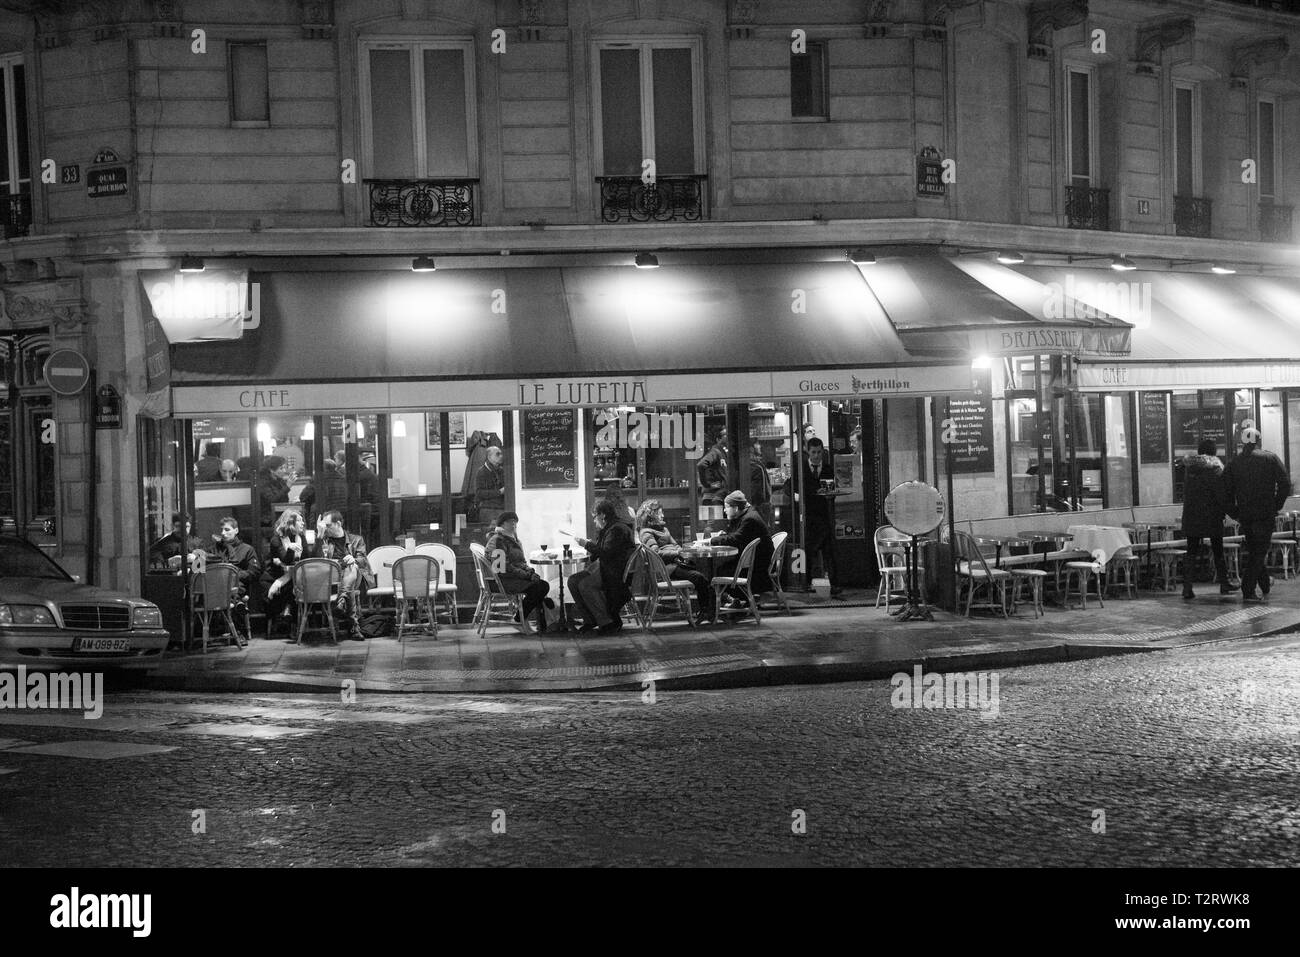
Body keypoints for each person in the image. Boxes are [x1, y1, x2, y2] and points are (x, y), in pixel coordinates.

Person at [1224, 427, 1293, 602]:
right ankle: (1248, 589)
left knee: (1256, 550)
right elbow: (1285, 484)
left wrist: (1235, 512)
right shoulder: (1270, 458)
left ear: (1242, 442)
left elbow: (1225, 492)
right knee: (1259, 551)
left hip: (1245, 515)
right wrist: (1276, 505)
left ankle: (1264, 584)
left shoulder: (1234, 463)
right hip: (1264, 513)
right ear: (1258, 441)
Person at [636, 499, 714, 625]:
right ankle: (706, 611)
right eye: (660, 513)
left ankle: (708, 610)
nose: (662, 515)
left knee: (702, 575)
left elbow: (675, 545)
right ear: (651, 515)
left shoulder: (664, 529)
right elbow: (655, 554)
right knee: (699, 577)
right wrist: (677, 553)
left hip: (674, 564)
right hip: (665, 570)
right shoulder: (646, 532)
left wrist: (679, 551)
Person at [1181, 439, 1238, 599]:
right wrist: (1232, 512)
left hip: (1192, 515)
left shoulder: (1190, 469)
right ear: (1214, 452)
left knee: (1191, 551)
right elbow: (1221, 494)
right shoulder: (1215, 468)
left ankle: (1187, 587)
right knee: (1218, 550)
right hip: (1211, 515)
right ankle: (1224, 583)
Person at [569, 499, 636, 634]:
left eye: (595, 517)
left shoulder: (617, 529)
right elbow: (605, 550)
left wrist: (586, 544)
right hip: (608, 568)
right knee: (573, 580)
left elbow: (606, 553)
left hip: (615, 573)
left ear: (602, 515)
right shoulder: (611, 528)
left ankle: (607, 622)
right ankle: (590, 619)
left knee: (584, 585)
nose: (594, 521)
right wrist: (591, 545)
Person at [485, 511, 552, 634]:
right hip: (503, 580)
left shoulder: (512, 539)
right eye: (511, 523)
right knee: (540, 588)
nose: (514, 526)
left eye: (516, 523)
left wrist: (530, 572)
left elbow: (521, 562)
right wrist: (527, 575)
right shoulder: (497, 540)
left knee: (541, 585)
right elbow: (501, 567)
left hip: (513, 577)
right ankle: (519, 619)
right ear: (503, 524)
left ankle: (538, 623)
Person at [314, 509, 374, 640]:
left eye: (328, 526)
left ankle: (341, 600)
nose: (326, 529)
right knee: (349, 590)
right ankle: (353, 626)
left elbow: (363, 560)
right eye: (324, 526)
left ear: (338, 524)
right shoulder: (325, 541)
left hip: (354, 575)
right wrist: (320, 534)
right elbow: (315, 558)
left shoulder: (356, 539)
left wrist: (354, 559)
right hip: (332, 578)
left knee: (351, 567)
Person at [710, 490, 774, 609]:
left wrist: (712, 540)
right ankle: (736, 599)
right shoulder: (748, 515)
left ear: (735, 507)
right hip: (757, 563)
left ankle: (733, 599)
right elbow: (738, 535)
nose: (724, 510)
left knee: (721, 571)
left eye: (726, 507)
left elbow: (736, 539)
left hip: (758, 569)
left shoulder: (749, 519)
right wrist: (724, 535)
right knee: (722, 568)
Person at [202, 516, 262, 635]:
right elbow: (201, 567)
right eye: (222, 530)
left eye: (227, 530)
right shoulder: (213, 549)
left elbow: (254, 572)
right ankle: (236, 632)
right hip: (215, 588)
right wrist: (196, 556)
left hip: (236, 586)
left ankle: (236, 631)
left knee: (233, 589)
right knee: (231, 597)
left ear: (236, 530)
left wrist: (233, 575)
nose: (223, 533)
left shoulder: (247, 549)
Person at [800, 437, 843, 599]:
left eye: (819, 452)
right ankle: (806, 583)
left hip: (825, 515)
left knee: (829, 552)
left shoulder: (827, 468)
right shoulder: (802, 468)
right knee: (809, 552)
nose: (817, 456)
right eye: (814, 452)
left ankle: (835, 584)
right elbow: (793, 487)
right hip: (809, 516)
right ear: (808, 452)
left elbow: (833, 490)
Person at [261, 509, 309, 636]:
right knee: (292, 588)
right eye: (299, 520)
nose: (303, 523)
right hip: (275, 577)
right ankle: (288, 620)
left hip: (293, 575)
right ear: (290, 523)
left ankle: (292, 623)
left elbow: (306, 558)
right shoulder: (276, 539)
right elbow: (286, 560)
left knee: (297, 585)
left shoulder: (301, 537)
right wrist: (291, 549)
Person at [300, 456, 347, 524]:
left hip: (323, 514)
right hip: (342, 514)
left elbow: (303, 497)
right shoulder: (343, 479)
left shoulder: (318, 479)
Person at [472, 446, 506, 521]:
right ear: (489, 457)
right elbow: (479, 493)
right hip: (488, 509)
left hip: (501, 508)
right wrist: (499, 492)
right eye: (497, 454)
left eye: (501, 454)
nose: (501, 456)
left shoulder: (501, 470)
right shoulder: (481, 472)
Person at [696, 427, 729, 505]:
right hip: (713, 495)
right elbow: (701, 465)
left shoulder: (724, 452)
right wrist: (706, 484)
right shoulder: (715, 451)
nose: (728, 437)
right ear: (718, 439)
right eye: (725, 435)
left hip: (718, 494)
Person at [257, 455, 291, 529]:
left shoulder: (280, 481)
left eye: (285, 468)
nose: (284, 471)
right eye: (281, 468)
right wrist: (287, 487)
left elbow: (283, 499)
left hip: (280, 514)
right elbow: (272, 500)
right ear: (272, 470)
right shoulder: (263, 482)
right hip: (268, 518)